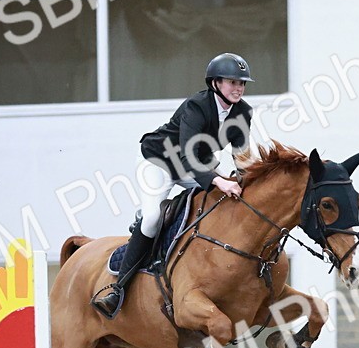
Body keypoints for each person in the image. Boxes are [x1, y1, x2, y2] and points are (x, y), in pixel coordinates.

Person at [92, 52, 255, 319]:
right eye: (232, 82)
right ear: (215, 83)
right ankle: (117, 289)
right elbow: (186, 155)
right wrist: (217, 180)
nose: (238, 88)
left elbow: (242, 155)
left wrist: (246, 180)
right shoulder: (197, 106)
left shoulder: (243, 112)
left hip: (196, 166)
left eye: (242, 83)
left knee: (227, 198)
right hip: (159, 163)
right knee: (154, 217)